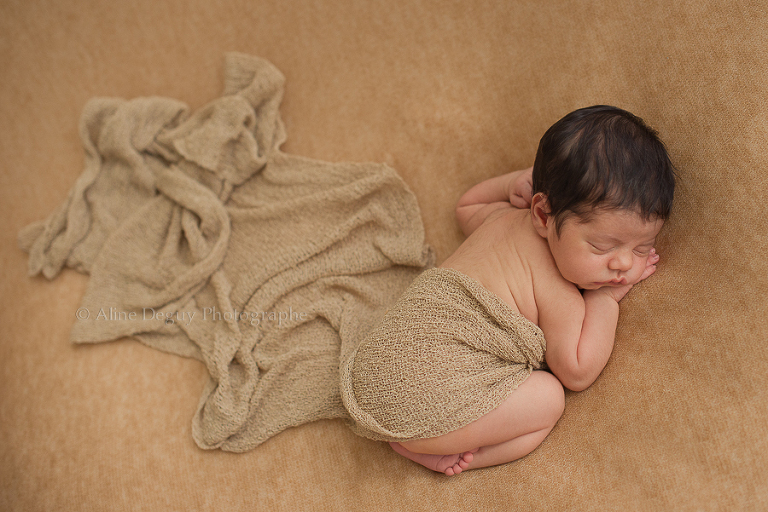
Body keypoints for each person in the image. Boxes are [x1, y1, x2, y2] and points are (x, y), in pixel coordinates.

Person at [388, 105, 676, 475]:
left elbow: (467, 205)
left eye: (640, 248)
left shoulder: (498, 217)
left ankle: (419, 438)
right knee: (550, 398)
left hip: (388, 360)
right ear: (542, 215)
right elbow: (576, 371)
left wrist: (512, 184)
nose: (622, 264)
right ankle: (447, 451)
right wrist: (604, 300)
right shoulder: (559, 292)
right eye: (603, 247)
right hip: (429, 398)